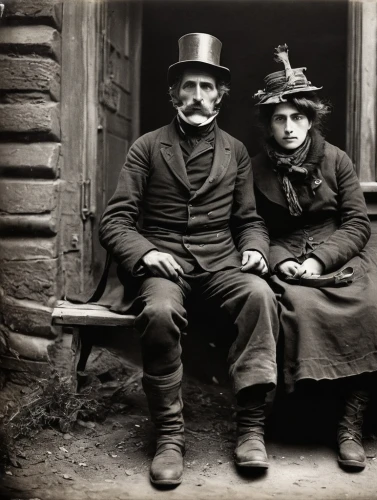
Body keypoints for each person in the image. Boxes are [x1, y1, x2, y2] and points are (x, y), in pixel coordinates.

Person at [98, 34, 278, 486]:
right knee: (158, 311)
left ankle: (251, 430)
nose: (197, 96)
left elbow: (248, 219)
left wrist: (255, 247)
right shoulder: (146, 147)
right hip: (164, 264)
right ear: (174, 93)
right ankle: (170, 437)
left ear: (220, 95)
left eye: (206, 87)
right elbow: (115, 222)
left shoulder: (235, 151)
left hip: (220, 262)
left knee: (259, 296)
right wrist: (148, 253)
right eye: (189, 86)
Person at [251, 45, 377, 471]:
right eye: (279, 119)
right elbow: (251, 225)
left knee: (372, 305)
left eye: (297, 118)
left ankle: (351, 421)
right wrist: (278, 260)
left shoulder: (336, 160)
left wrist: (321, 260)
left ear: (310, 119)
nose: (289, 127)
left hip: (343, 253)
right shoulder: (255, 170)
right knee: (300, 308)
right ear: (268, 124)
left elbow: (358, 224)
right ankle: (310, 413)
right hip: (287, 254)